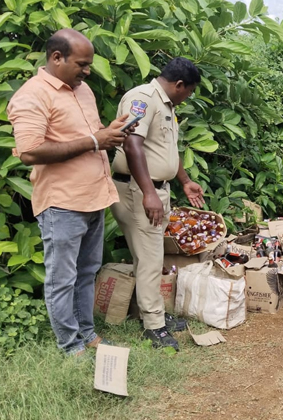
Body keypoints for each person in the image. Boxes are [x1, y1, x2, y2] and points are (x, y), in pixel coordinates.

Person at [7, 29, 133, 356]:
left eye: (89, 65)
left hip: (95, 197)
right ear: (56, 57)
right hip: (62, 205)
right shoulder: (31, 95)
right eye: (82, 64)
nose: (88, 71)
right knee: (61, 280)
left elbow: (84, 135)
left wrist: (107, 133)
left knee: (87, 273)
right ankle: (70, 344)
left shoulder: (84, 89)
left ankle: (87, 333)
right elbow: (30, 151)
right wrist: (95, 141)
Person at [110, 58, 204, 351]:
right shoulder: (142, 99)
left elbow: (165, 151)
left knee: (146, 258)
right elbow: (132, 145)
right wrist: (149, 192)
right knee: (150, 260)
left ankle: (151, 313)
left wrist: (185, 181)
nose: (187, 97)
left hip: (153, 189)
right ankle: (154, 326)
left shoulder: (166, 106)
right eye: (188, 91)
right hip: (138, 191)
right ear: (179, 85)